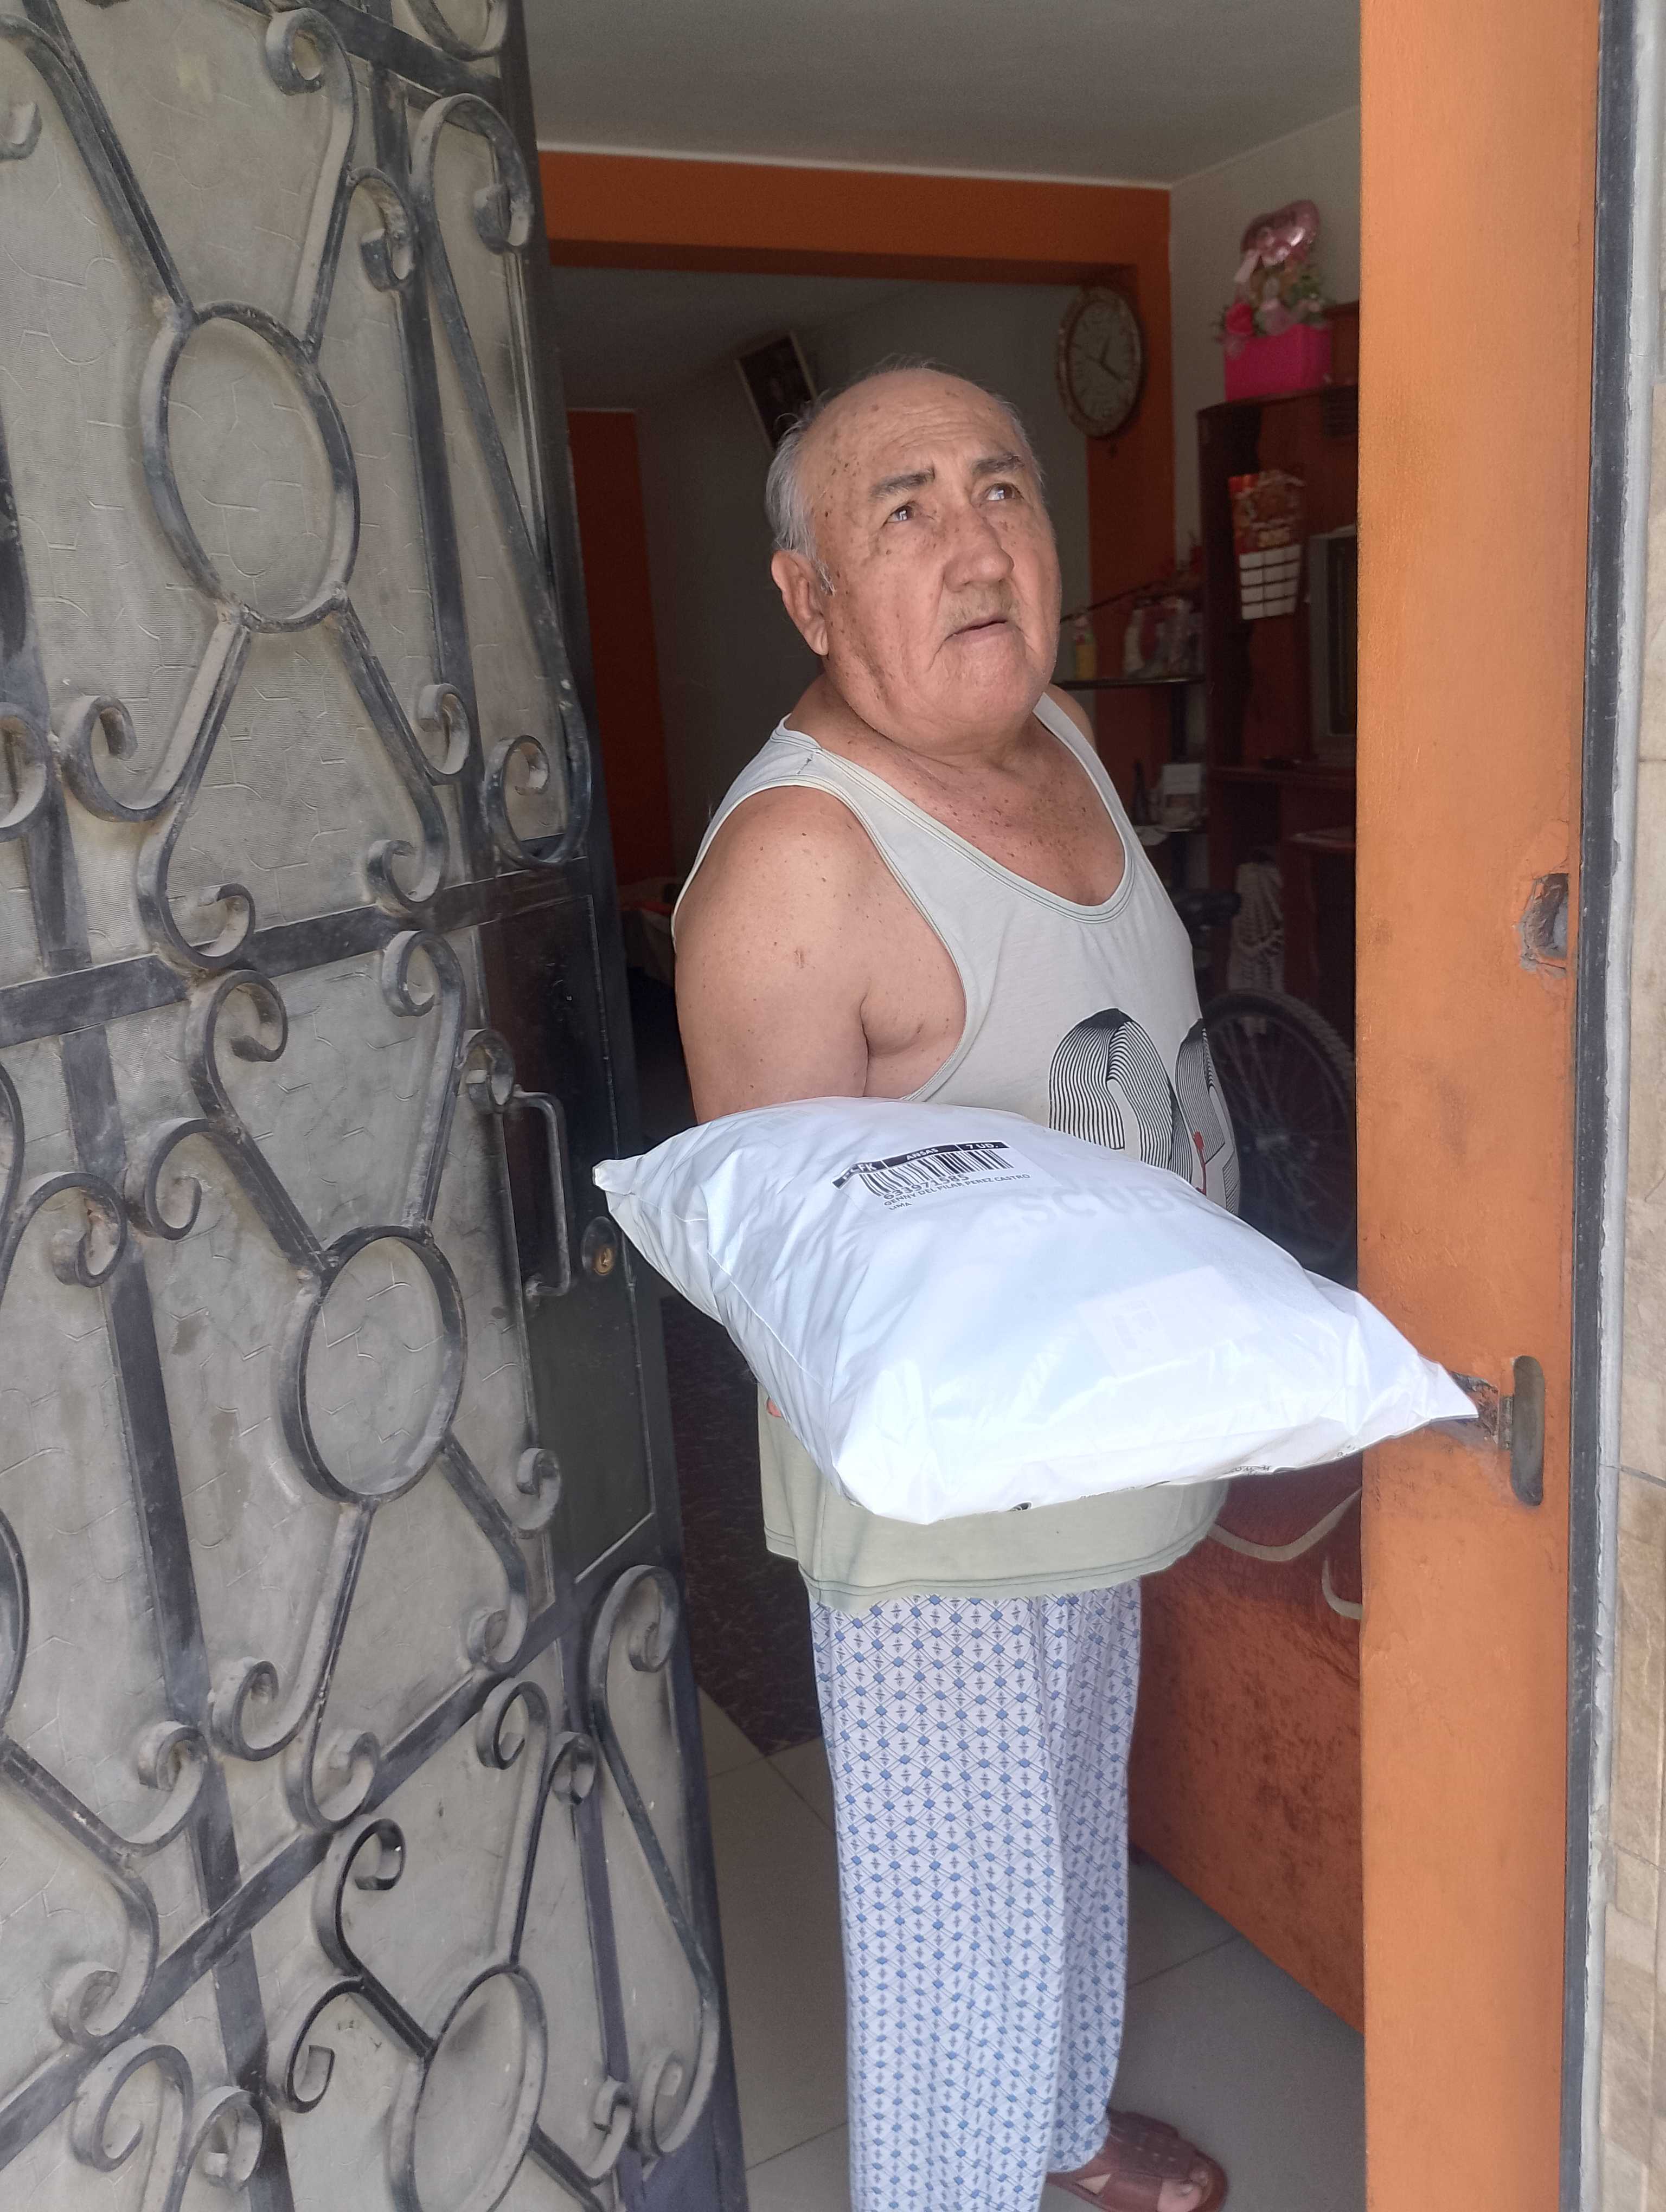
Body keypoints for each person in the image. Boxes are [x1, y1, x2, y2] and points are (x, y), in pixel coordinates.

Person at [674, 361, 1232, 2212]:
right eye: (901, 509)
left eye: (1002, 489)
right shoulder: (799, 865)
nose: (975, 544)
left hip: (1104, 1450)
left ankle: (1063, 2135)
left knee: (1071, 1827)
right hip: (947, 1531)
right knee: (954, 1960)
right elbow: (792, 1293)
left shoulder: (1052, 731)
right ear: (810, 595)